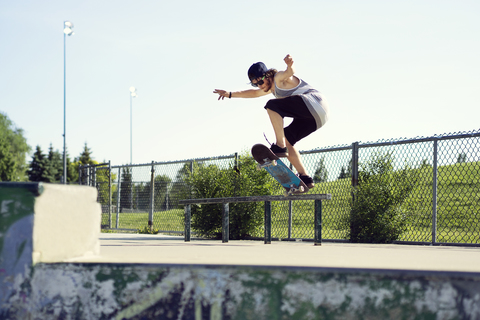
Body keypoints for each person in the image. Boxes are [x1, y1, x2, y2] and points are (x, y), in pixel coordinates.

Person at [213, 54, 329, 189]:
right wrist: (230, 94)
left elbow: (289, 73)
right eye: (255, 84)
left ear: (267, 76)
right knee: (287, 139)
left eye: (260, 82)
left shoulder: (278, 79)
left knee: (272, 106)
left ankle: (280, 146)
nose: (259, 86)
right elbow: (253, 94)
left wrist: (290, 65)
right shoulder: (268, 88)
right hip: (317, 118)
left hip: (316, 102)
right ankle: (305, 177)